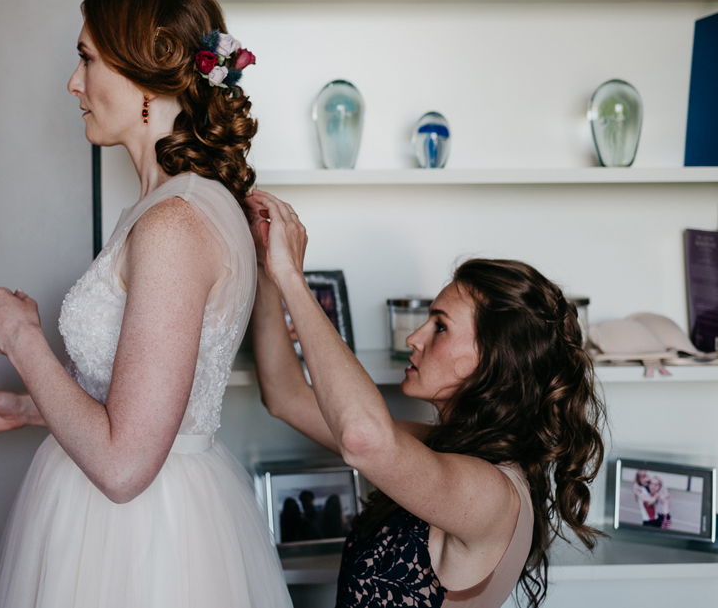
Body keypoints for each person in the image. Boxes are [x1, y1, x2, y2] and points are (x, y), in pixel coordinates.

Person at [0, 0, 290, 608]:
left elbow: (124, 466)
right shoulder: (169, 207)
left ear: (144, 74)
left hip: (141, 540)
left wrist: (20, 337)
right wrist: (23, 408)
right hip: (136, 518)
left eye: (86, 58)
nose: (73, 83)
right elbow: (146, 401)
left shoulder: (175, 222)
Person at [244, 190, 605, 608]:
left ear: (494, 360)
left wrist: (292, 276)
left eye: (440, 327)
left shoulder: (493, 492)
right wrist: (265, 264)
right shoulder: (440, 446)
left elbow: (362, 437)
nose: (414, 339)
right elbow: (286, 396)